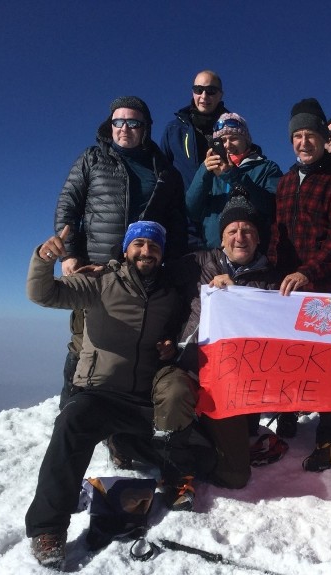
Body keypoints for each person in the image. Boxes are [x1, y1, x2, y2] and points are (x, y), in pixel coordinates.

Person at [25, 221, 204, 570]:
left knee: (203, 455)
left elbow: (178, 332)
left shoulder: (170, 294)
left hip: (146, 398)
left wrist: (169, 347)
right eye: (138, 244)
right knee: (71, 423)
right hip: (101, 393)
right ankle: (48, 528)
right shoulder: (99, 282)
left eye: (153, 246)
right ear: (126, 249)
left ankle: (143, 456)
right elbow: (43, 294)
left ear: (161, 253)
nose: (145, 251)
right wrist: (44, 259)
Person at [54, 96, 187, 407]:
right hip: (98, 267)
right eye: (118, 121)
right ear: (110, 125)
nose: (124, 128)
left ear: (145, 128)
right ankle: (70, 411)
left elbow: (177, 224)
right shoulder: (92, 159)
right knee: (82, 342)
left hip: (144, 269)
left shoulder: (163, 171)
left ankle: (123, 427)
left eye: (133, 122)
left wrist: (173, 266)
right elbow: (68, 207)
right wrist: (69, 254)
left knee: (134, 345)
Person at [267, 98, 331, 472]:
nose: (304, 142)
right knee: (293, 358)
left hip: (330, 289)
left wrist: (309, 271)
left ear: (323, 139)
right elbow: (278, 235)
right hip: (292, 290)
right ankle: (289, 415)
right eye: (298, 136)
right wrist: (271, 276)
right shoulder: (287, 182)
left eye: (311, 135)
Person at [176, 190, 283, 488]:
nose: (240, 236)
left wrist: (238, 296)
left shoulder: (273, 281)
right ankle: (167, 447)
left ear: (259, 238)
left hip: (231, 381)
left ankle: (200, 440)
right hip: (189, 366)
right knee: (171, 399)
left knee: (236, 476)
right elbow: (148, 280)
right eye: (232, 230)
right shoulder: (195, 263)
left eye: (248, 230)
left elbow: (276, 334)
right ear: (221, 238)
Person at [185, 113, 282, 252]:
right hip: (214, 252)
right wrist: (203, 172)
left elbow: (272, 206)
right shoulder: (208, 171)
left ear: (246, 141)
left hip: (252, 252)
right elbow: (192, 210)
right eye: (222, 140)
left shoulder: (266, 168)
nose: (228, 145)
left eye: (234, 138)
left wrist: (233, 175)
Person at [160, 70, 229, 249]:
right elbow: (161, 173)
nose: (204, 96)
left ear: (220, 94)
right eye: (199, 90)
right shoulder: (174, 130)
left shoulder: (232, 128)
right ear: (193, 92)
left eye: (211, 91)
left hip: (221, 219)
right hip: (184, 224)